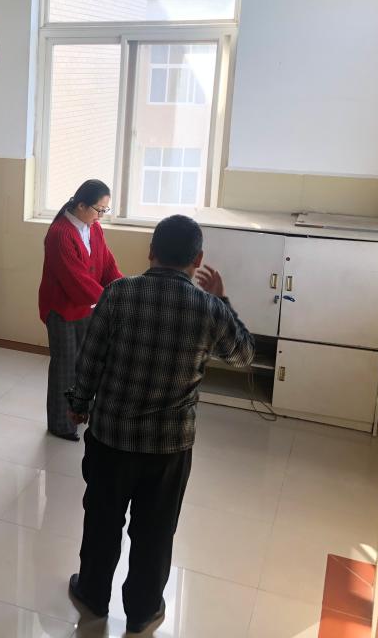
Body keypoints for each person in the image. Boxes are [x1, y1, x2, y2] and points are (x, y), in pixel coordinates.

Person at [65, 215, 255, 634]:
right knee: (155, 531)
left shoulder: (118, 294)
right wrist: (222, 301)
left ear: (151, 251)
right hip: (169, 448)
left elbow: (90, 358)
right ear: (198, 259)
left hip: (111, 438)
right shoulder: (208, 309)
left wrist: (78, 405)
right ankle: (143, 610)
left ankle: (93, 595)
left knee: (101, 521)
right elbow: (243, 355)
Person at [38, 179, 123, 441]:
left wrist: (124, 292)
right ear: (82, 205)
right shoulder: (60, 234)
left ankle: (81, 414)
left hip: (87, 307)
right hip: (62, 310)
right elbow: (76, 281)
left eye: (105, 210)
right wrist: (111, 302)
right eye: (99, 210)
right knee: (65, 369)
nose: (101, 216)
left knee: (87, 365)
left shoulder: (93, 227)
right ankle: (61, 425)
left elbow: (107, 265)